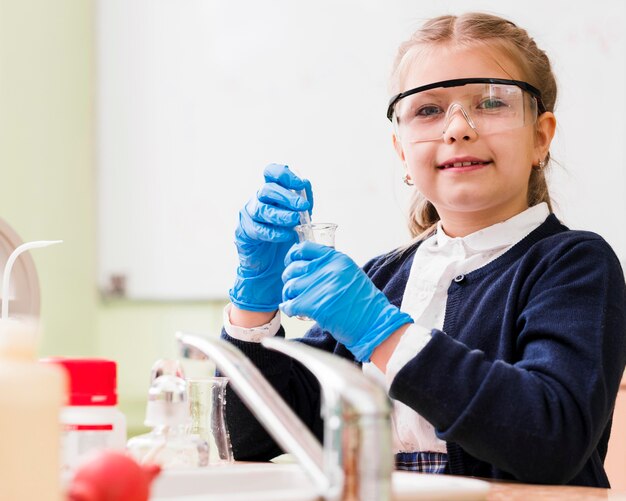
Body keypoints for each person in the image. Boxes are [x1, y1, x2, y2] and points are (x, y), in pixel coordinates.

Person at [221, 12, 626, 487]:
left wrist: (381, 332)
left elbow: (551, 439)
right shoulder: (381, 278)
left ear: (540, 136)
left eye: (491, 102)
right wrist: (254, 309)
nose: (458, 128)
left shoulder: (575, 266)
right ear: (402, 152)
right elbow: (251, 437)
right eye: (429, 111)